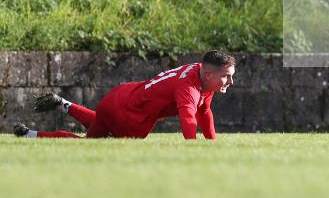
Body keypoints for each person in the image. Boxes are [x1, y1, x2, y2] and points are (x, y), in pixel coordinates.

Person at [13, 50, 235, 140]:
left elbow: (204, 111)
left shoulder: (201, 73)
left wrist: (211, 143)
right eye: (226, 76)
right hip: (127, 119)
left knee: (100, 123)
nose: (231, 82)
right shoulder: (189, 87)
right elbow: (189, 119)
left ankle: (62, 103)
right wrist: (193, 149)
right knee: (86, 143)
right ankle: (29, 134)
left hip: (118, 98)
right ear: (208, 74)